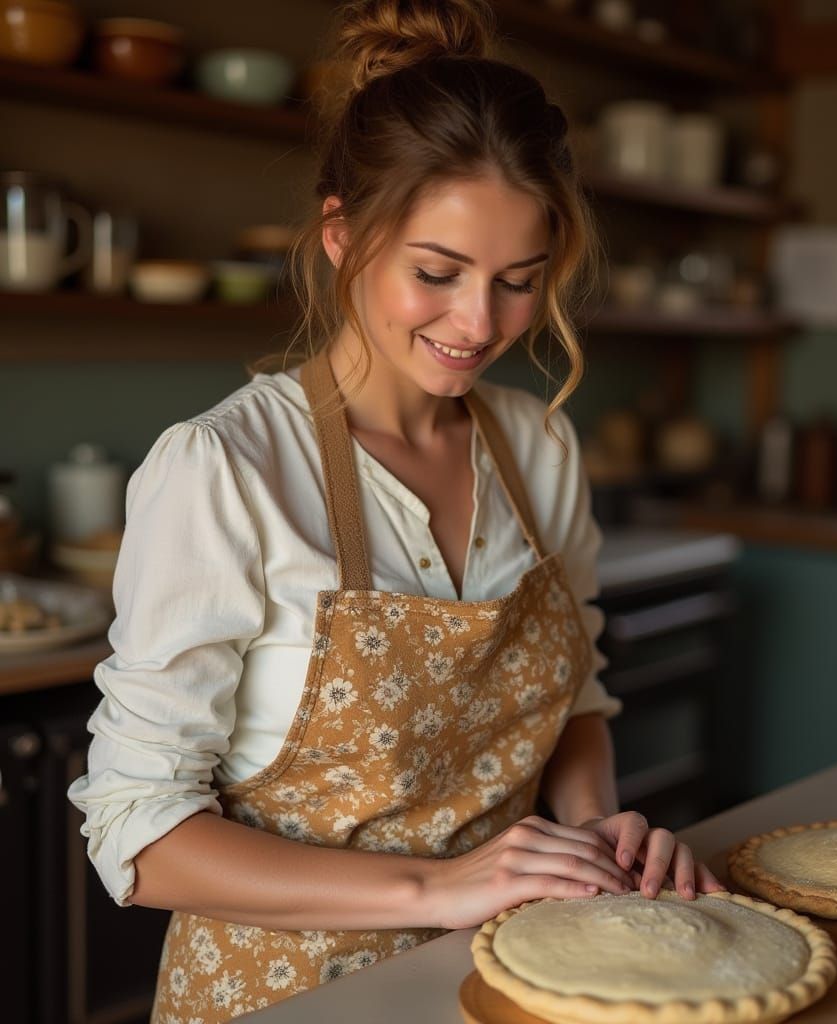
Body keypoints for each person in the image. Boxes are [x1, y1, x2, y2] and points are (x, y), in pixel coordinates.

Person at [68, 1, 724, 1020]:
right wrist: (437, 887)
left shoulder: (539, 444)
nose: (479, 323)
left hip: (508, 972)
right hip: (281, 993)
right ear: (342, 235)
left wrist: (600, 834)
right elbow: (140, 833)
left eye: (519, 281)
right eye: (436, 273)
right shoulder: (226, 469)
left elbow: (575, 693)